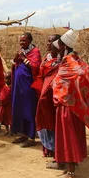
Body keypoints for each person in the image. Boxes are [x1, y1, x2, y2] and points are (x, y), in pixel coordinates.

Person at [53, 30, 89, 178]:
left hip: (68, 105)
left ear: (64, 46)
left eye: (59, 45)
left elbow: (80, 74)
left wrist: (71, 91)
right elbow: (87, 72)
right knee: (71, 135)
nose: (58, 48)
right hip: (70, 104)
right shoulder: (75, 59)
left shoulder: (70, 62)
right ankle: (70, 167)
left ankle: (71, 172)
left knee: (69, 137)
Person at [34, 34, 61, 162]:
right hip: (44, 94)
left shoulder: (63, 60)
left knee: (54, 122)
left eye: (50, 41)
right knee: (45, 120)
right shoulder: (47, 58)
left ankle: (58, 152)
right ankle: (49, 148)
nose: (47, 44)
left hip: (54, 97)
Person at [11, 33, 42, 148]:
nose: (22, 43)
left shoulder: (35, 51)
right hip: (18, 86)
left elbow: (35, 67)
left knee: (29, 110)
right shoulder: (21, 50)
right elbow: (15, 65)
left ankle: (31, 137)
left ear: (29, 40)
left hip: (28, 86)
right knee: (19, 109)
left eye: (24, 41)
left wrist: (23, 58)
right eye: (20, 41)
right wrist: (15, 61)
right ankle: (23, 134)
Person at [0, 72, 13, 136]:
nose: (6, 80)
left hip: (9, 106)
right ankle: (7, 130)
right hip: (3, 106)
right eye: (5, 78)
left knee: (10, 119)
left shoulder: (12, 88)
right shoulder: (4, 87)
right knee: (4, 119)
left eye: (8, 78)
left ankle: (11, 131)